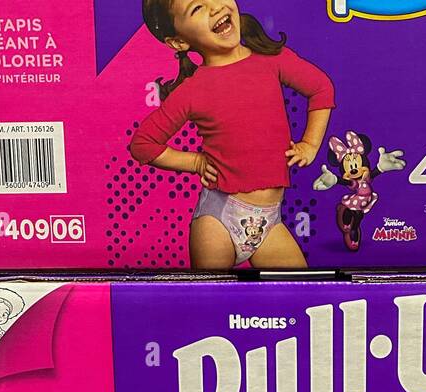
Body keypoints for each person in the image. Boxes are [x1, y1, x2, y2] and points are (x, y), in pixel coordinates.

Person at [130, 0, 334, 268]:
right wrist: (195, 162)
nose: (215, 7)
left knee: (297, 296)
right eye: (197, 8)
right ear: (179, 42)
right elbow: (143, 144)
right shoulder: (192, 91)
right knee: (211, 302)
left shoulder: (272, 60)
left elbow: (321, 88)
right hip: (219, 218)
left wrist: (310, 144)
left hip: (270, 221)